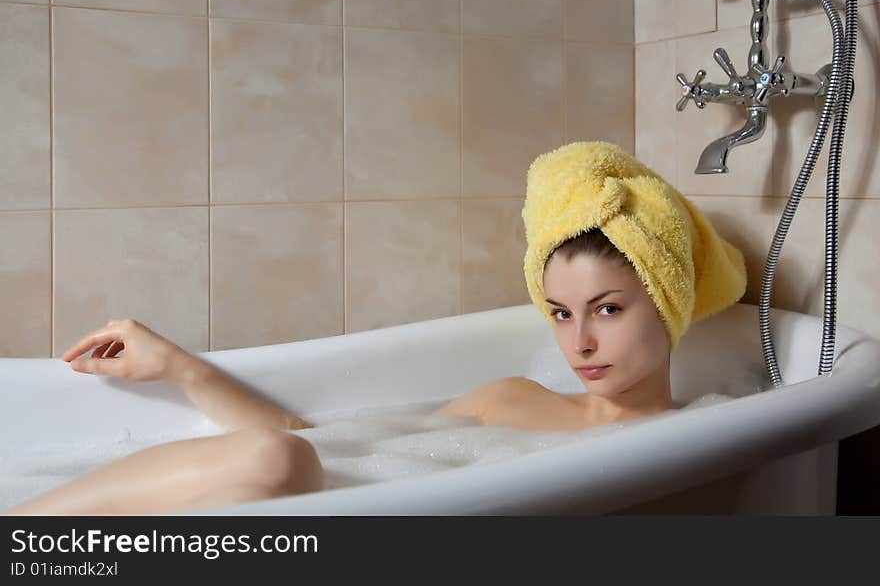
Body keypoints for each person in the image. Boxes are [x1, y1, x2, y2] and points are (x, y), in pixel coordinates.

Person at [3, 141, 747, 516]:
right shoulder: (508, 398)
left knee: (277, 460)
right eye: (560, 312)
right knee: (278, 456)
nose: (578, 342)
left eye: (608, 309)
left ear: (668, 301)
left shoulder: (706, 439)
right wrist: (180, 367)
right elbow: (325, 445)